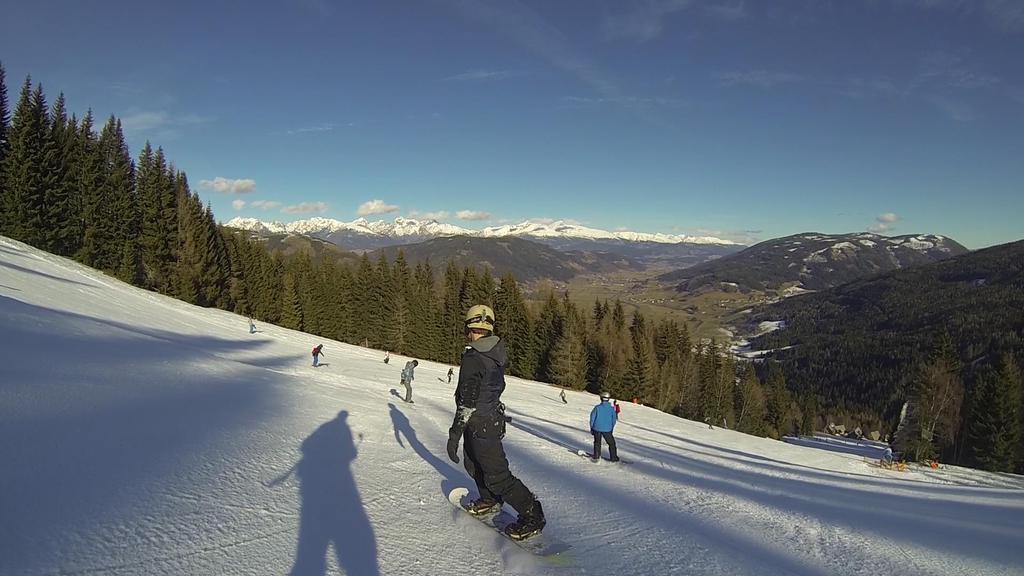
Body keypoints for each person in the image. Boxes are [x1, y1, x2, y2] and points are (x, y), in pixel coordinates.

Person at [446, 304, 545, 541]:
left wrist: (454, 434)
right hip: (486, 420)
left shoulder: (474, 357)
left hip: (481, 423)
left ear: (469, 328)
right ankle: (490, 499)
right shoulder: (494, 350)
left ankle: (533, 515)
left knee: (497, 475)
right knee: (474, 465)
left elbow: (467, 402)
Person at [590, 392, 618, 462]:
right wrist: (611, 428)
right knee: (611, 443)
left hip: (596, 428)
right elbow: (614, 420)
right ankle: (613, 458)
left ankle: (596, 456)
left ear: (601, 398)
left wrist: (592, 428)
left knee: (597, 443)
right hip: (607, 429)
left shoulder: (597, 408)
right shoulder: (611, 409)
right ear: (608, 399)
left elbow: (592, 418)